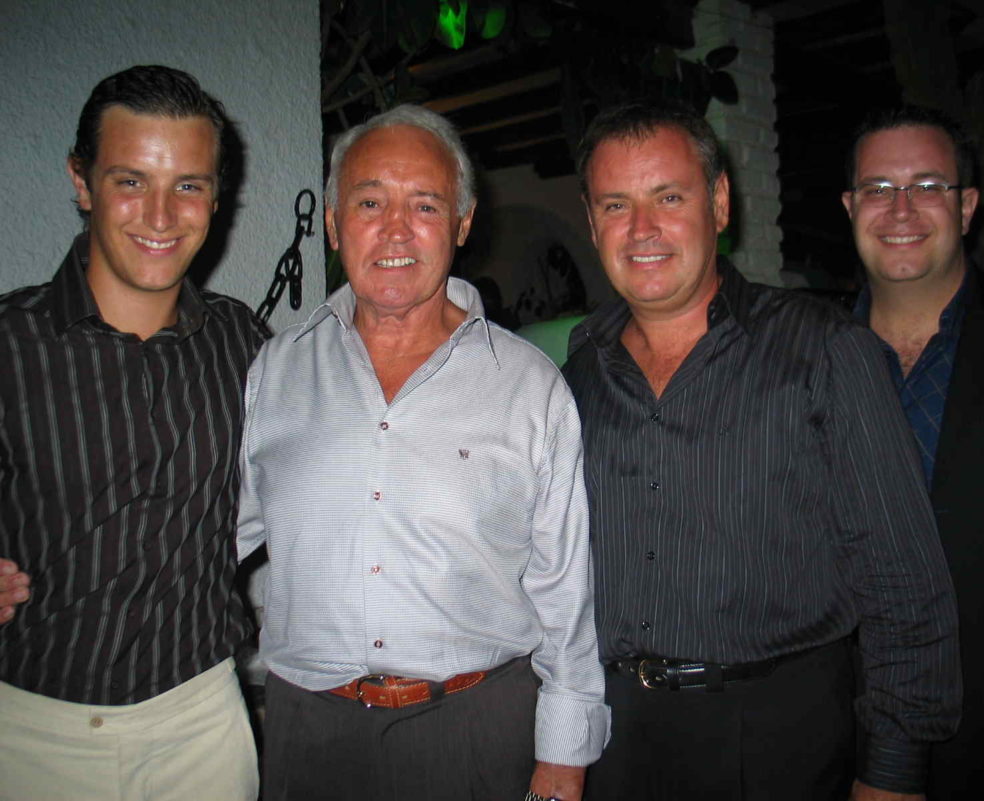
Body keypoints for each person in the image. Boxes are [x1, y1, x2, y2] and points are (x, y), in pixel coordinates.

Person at [561, 101, 961, 800]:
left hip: (776, 739)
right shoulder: (578, 367)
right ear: (593, 222)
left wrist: (892, 774)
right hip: (615, 736)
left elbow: (903, 580)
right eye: (617, 203)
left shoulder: (827, 348)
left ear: (718, 204)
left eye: (670, 197)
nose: (643, 228)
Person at [236, 104, 608, 801]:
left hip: (476, 730)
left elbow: (565, 594)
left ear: (463, 223)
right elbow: (202, 537)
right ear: (334, 220)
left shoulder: (528, 384)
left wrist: (563, 761)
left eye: (425, 204)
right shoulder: (277, 371)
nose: (396, 229)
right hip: (306, 733)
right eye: (371, 200)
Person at [0, 65, 268, 800]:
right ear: (81, 182)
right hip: (29, 731)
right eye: (129, 181)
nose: (161, 214)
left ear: (216, 196)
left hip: (202, 725)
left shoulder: (244, 342)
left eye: (188, 184)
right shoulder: (8, 344)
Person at [843, 106, 984, 799]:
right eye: (879, 188)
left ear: (966, 206)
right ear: (851, 207)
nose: (901, 208)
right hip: (848, 740)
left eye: (928, 185)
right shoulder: (805, 358)